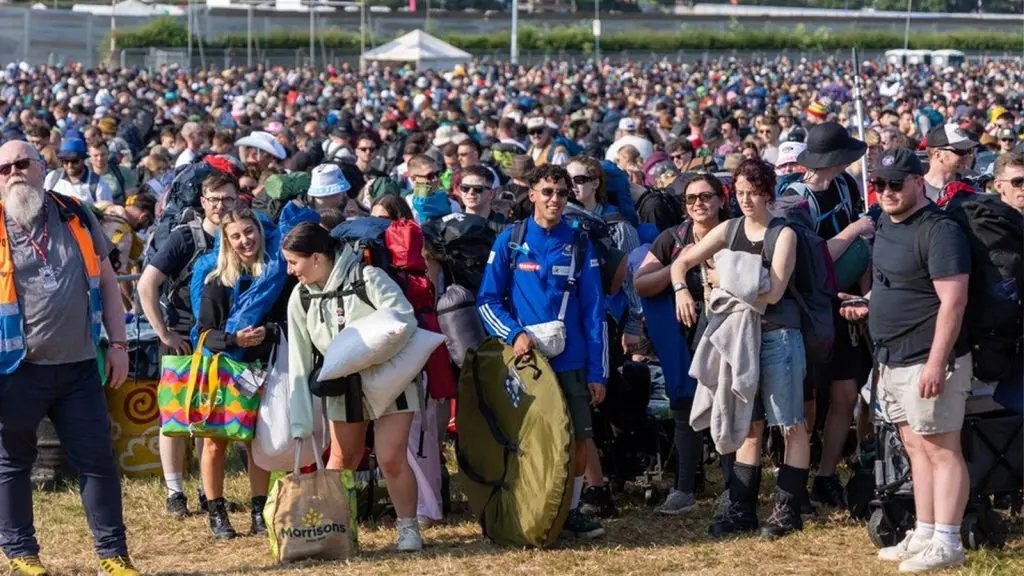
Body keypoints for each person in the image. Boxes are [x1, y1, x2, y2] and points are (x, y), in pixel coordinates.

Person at [0, 140, 140, 575]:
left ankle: (113, 556)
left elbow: (108, 284)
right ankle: (21, 553)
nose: (13, 174)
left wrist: (118, 345)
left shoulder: (75, 212)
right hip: (15, 370)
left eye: (22, 164)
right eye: (3, 169)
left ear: (43, 167)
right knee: (11, 464)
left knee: (98, 461)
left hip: (80, 365)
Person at [843, 148, 972, 572]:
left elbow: (953, 301)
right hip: (891, 357)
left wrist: (937, 363)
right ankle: (926, 528)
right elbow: (891, 285)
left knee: (941, 448)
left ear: (919, 181)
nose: (886, 192)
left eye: (896, 183)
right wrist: (866, 305)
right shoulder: (885, 223)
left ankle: (948, 540)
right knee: (915, 447)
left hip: (928, 357)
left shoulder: (940, 230)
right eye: (879, 184)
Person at [670, 159, 809, 539]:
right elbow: (680, 262)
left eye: (754, 192)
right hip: (740, 336)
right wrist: (683, 289)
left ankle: (787, 510)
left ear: (768, 193)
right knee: (749, 423)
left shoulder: (784, 235)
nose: (747, 200)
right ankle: (742, 507)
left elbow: (774, 292)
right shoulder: (730, 229)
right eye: (741, 193)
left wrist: (722, 277)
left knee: (789, 423)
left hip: (779, 335)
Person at [476, 164, 608, 539]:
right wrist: (514, 334)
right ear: (531, 193)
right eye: (547, 191)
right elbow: (487, 300)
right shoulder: (510, 240)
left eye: (562, 193)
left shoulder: (580, 242)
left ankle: (568, 512)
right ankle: (524, 506)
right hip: (526, 361)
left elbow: (595, 311)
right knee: (524, 437)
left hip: (573, 359)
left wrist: (599, 373)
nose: (555, 199)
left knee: (578, 438)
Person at [282, 222, 425, 551]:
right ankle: (335, 532)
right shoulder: (299, 298)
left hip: (392, 378)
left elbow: (404, 318)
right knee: (342, 459)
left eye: (294, 262)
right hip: (341, 386)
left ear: (317, 257)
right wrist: (301, 421)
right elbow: (300, 362)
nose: (290, 271)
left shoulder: (369, 277)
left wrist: (366, 351)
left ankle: (408, 530)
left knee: (391, 458)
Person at [137, 172, 239, 518]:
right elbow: (146, 285)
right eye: (215, 200)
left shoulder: (240, 235)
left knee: (207, 417)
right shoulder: (185, 238)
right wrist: (164, 333)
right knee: (174, 417)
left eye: (228, 199)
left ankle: (205, 490)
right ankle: (174, 492)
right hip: (182, 339)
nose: (222, 206)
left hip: (218, 341)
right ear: (203, 202)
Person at [781, 122, 872, 510]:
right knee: (806, 403)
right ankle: (794, 482)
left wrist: (866, 293)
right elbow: (812, 262)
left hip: (846, 305)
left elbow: (865, 249)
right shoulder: (793, 200)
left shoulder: (847, 186)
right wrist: (854, 229)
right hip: (809, 311)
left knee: (845, 394)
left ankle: (826, 475)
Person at [635, 173, 732, 516]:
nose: (698, 205)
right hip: (683, 337)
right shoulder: (673, 238)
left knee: (727, 410)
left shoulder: (736, 233)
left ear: (721, 199)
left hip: (727, 334)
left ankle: (733, 490)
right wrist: (677, 270)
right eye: (690, 199)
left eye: (705, 197)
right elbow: (642, 283)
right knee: (684, 410)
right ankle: (684, 489)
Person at [196, 209, 286, 539]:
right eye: (236, 235)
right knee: (215, 444)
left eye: (249, 232)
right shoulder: (217, 283)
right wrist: (235, 339)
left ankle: (259, 512)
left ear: (260, 232)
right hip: (223, 371)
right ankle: (217, 513)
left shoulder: (277, 277)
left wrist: (268, 331)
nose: (245, 240)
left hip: (263, 370)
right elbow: (204, 333)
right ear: (227, 242)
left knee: (256, 442)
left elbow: (288, 322)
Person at [44, 138, 113, 205]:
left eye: (74, 161)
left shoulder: (99, 184)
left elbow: (106, 212)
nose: (70, 165)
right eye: (66, 161)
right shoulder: (52, 177)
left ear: (83, 160)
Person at [923, 124, 979, 203]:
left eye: (969, 150)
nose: (968, 156)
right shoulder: (916, 190)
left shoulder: (972, 188)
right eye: (961, 151)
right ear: (938, 155)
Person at [459, 164, 507, 232]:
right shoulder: (451, 224)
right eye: (465, 188)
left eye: (478, 189)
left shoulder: (505, 226)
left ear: (491, 194)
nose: (471, 192)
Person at [87, 138, 134, 206]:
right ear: (89, 155)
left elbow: (132, 196)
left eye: (103, 154)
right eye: (95, 155)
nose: (99, 158)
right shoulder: (84, 177)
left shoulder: (123, 172)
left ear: (108, 153)